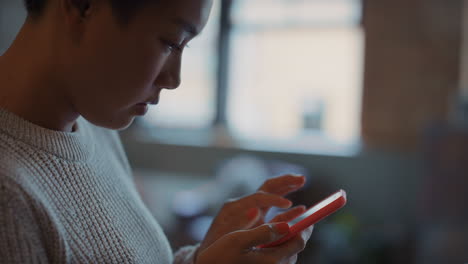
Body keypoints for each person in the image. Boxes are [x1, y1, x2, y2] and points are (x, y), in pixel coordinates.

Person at [0, 0, 314, 263]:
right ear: (83, 7)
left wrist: (204, 256)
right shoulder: (8, 191)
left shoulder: (95, 128)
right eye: (170, 42)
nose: (174, 79)